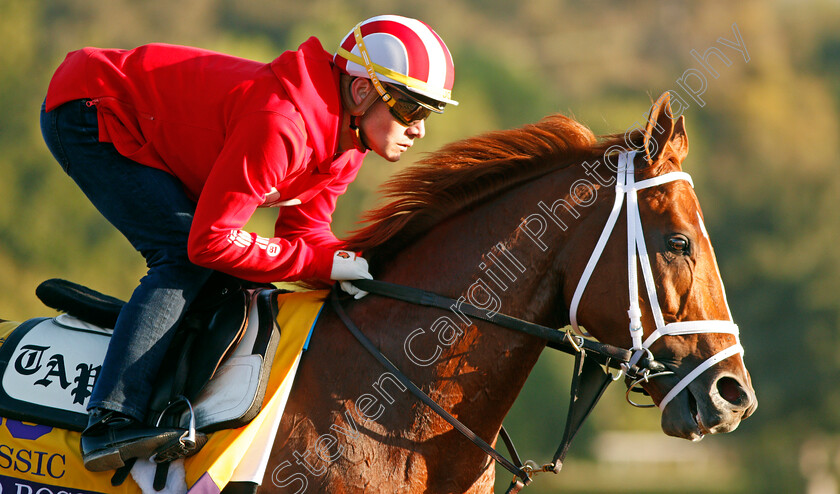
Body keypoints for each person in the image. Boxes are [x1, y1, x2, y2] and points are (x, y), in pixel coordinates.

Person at [39, 14, 456, 472]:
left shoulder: (347, 144)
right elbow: (209, 244)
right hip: (90, 108)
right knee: (183, 259)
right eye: (411, 109)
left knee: (226, 272)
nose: (419, 129)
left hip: (142, 119)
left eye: (427, 114)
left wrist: (346, 262)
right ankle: (111, 420)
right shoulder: (282, 124)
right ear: (360, 91)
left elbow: (303, 236)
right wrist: (321, 262)